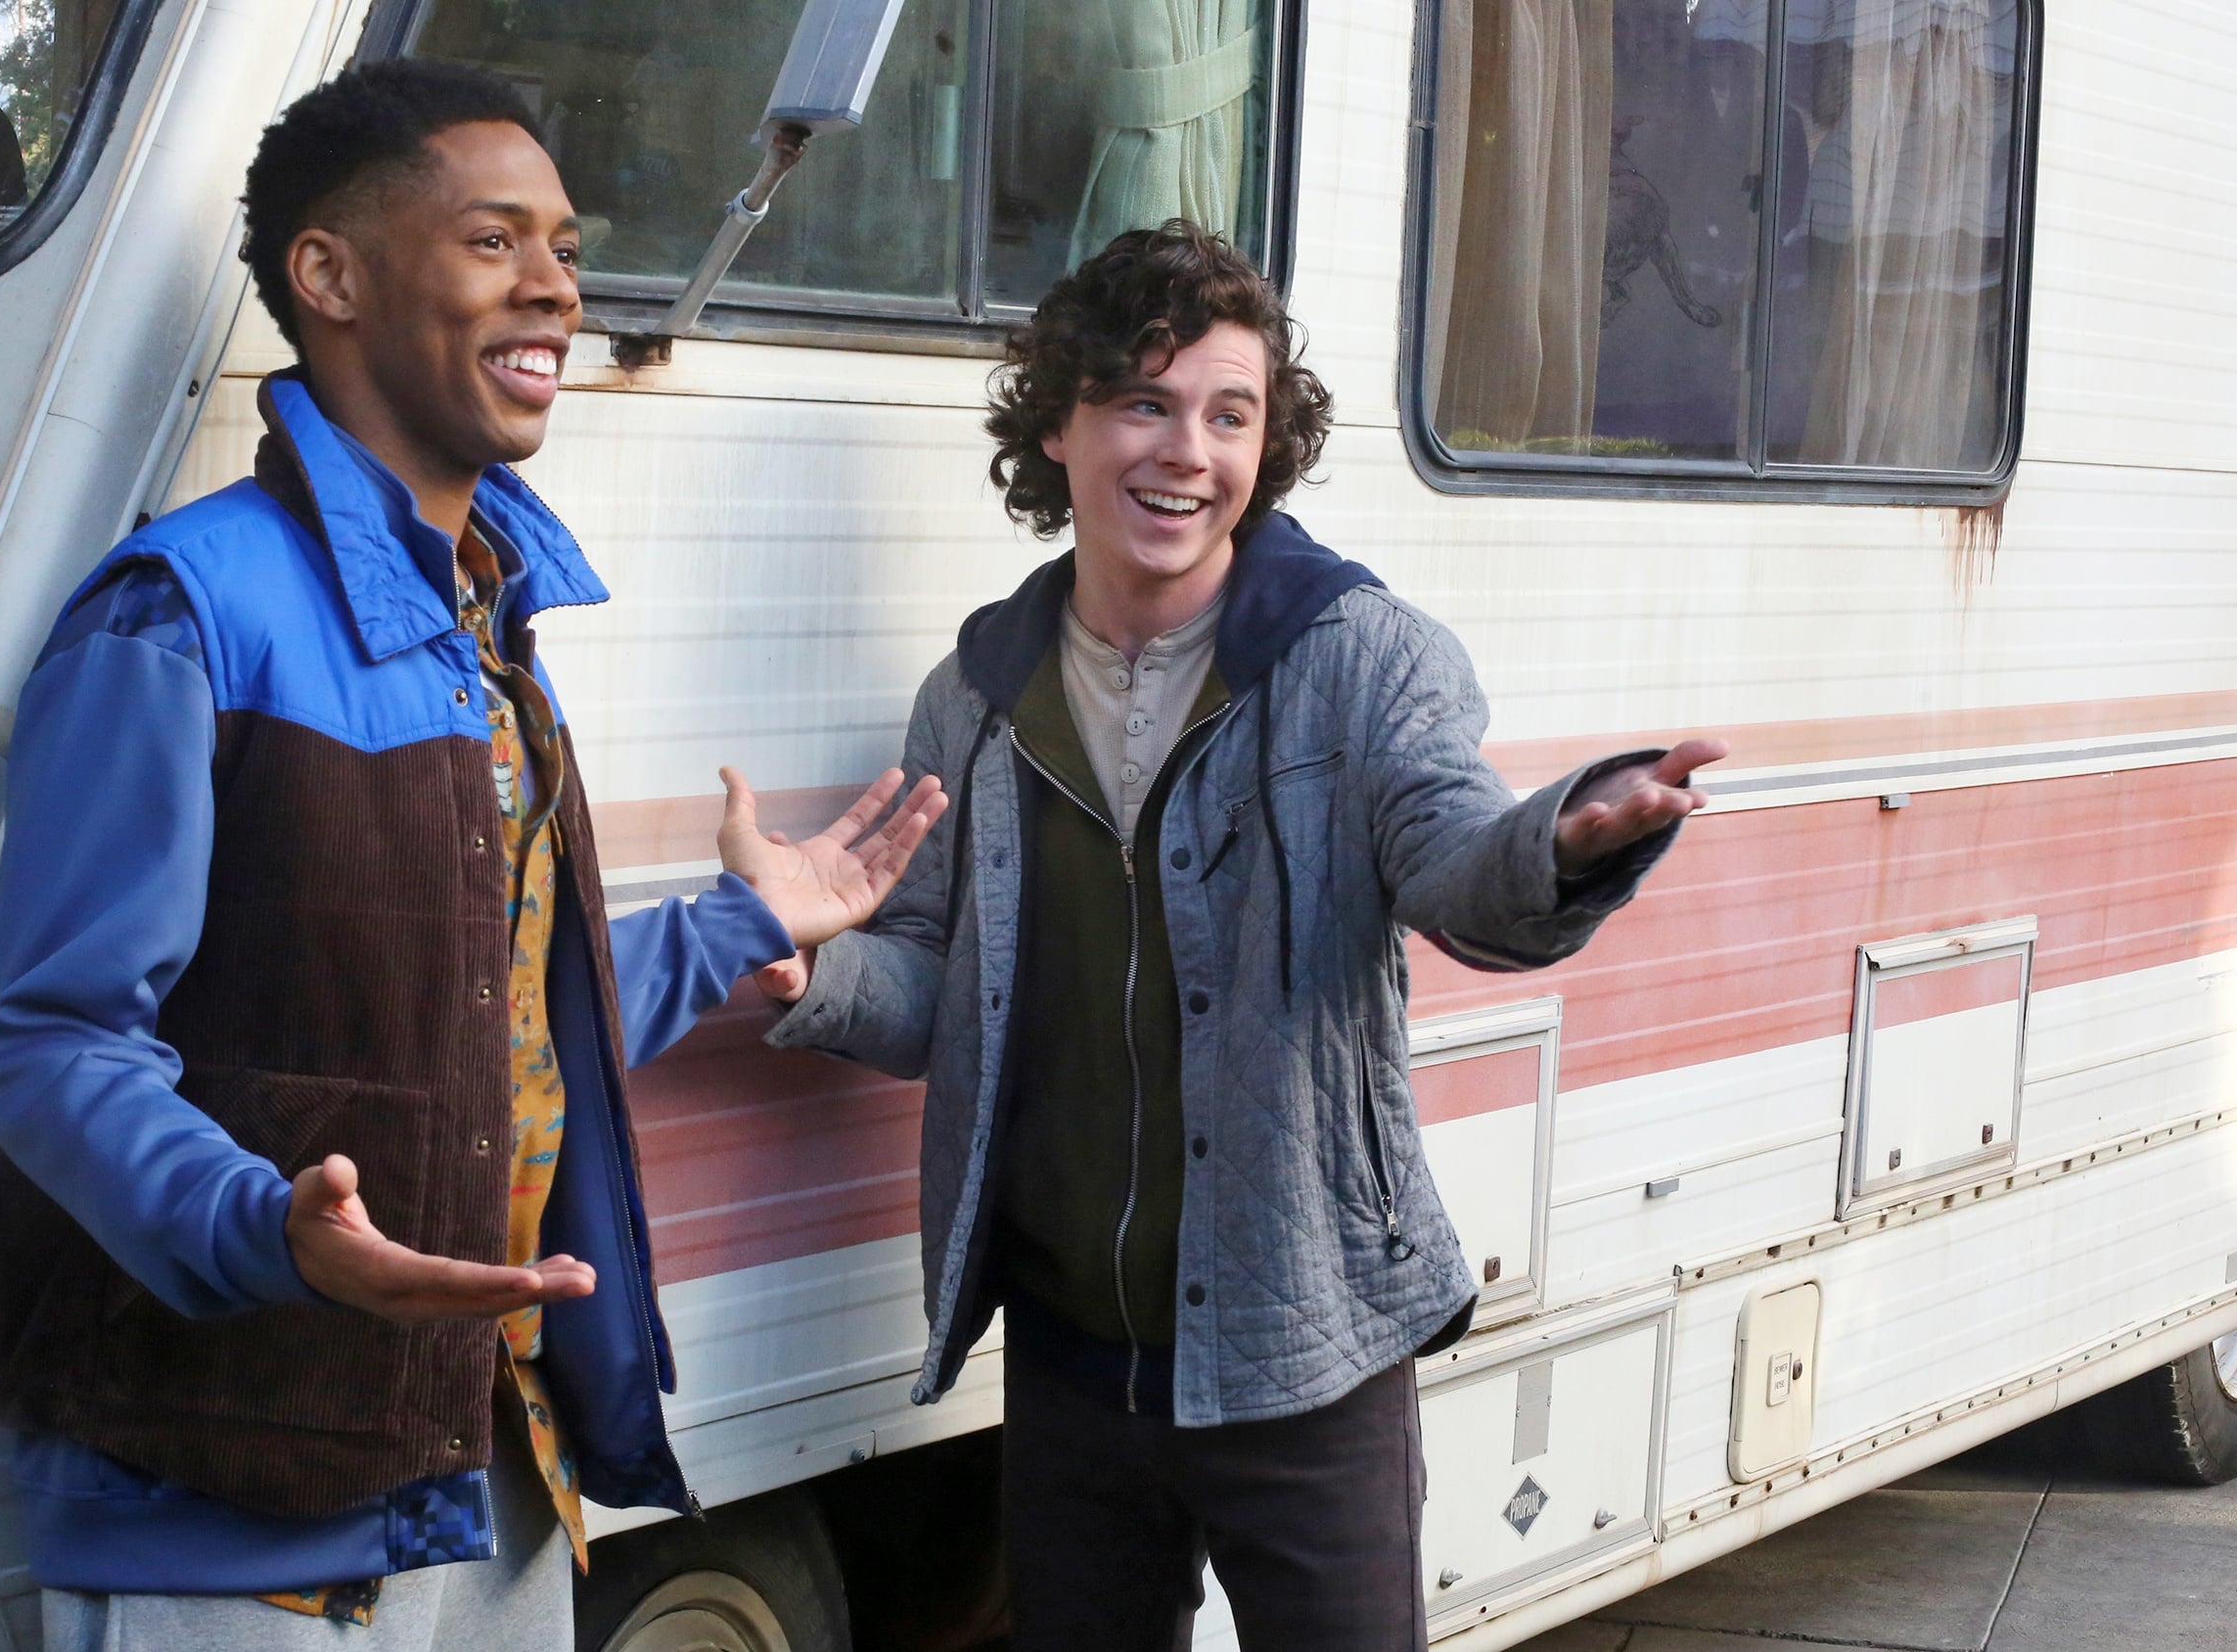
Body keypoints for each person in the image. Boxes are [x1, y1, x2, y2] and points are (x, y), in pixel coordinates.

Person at [0, 60, 943, 1651]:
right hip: (251, 1520)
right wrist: (262, 1226)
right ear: (331, 275)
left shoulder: (484, 620)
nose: (556, 285)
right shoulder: (179, 615)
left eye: (564, 246)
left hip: (492, 1463)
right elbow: (49, 1045)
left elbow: (484, 1009)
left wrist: (737, 922)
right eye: (495, 241)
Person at [739, 222, 1724, 1650]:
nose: (1186, 452)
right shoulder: (978, 690)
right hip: (1073, 1360)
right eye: (1144, 402)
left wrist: (1561, 841)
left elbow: (1455, 861)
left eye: (1229, 414)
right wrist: (811, 964)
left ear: (1268, 444)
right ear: (1060, 424)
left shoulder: (1359, 656)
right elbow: (943, 985)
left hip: (1305, 1350)